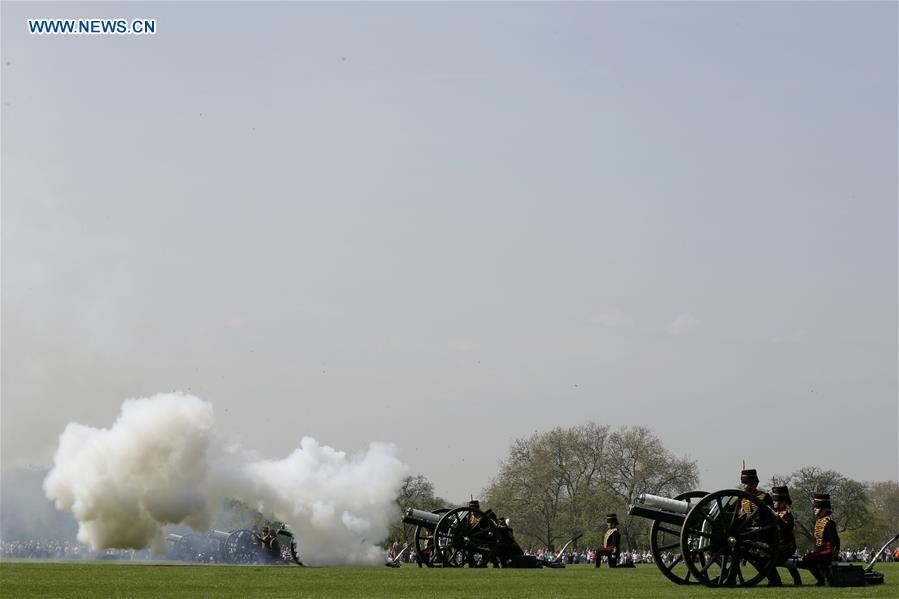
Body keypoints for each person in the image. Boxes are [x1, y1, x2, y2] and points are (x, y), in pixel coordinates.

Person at [801, 493, 840, 586]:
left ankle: (823, 579)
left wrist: (835, 550)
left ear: (824, 509)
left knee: (809, 559)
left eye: (817, 507)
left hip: (827, 551)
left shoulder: (829, 523)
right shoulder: (819, 521)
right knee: (808, 559)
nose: (815, 509)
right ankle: (822, 579)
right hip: (821, 550)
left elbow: (834, 538)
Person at [771, 485, 802, 585]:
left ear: (783, 502)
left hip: (787, 545)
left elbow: (787, 528)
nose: (774, 502)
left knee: (776, 559)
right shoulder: (775, 514)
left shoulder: (788, 515)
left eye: (776, 501)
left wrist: (778, 519)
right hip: (778, 544)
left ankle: (776, 580)